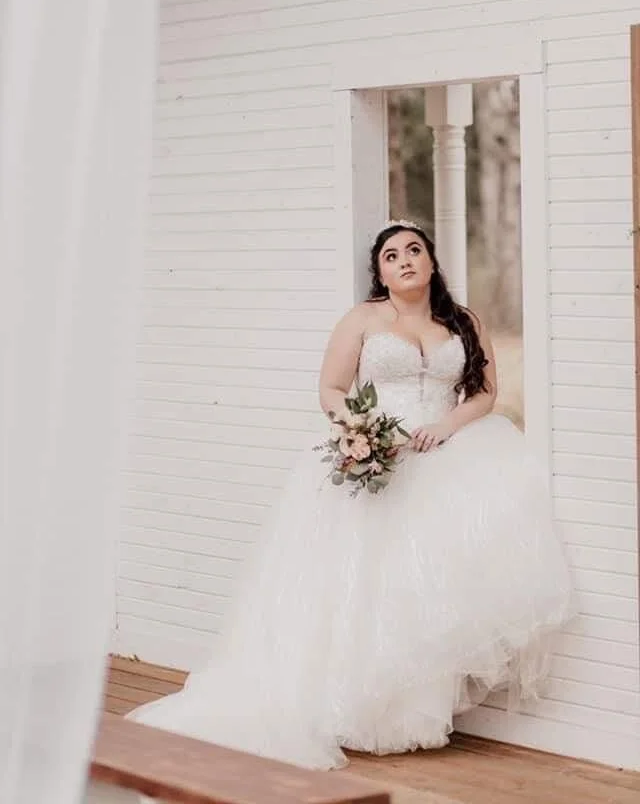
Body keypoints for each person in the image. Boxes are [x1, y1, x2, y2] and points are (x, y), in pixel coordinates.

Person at [129, 220, 573, 770]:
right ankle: (350, 709)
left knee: (423, 588)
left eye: (415, 250)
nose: (405, 260)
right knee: (361, 584)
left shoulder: (463, 322)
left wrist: (449, 426)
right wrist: (362, 431)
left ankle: (411, 715)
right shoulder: (362, 320)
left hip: (446, 455)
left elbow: (485, 394)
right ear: (379, 271)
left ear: (432, 262)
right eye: (392, 255)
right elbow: (331, 389)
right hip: (380, 457)